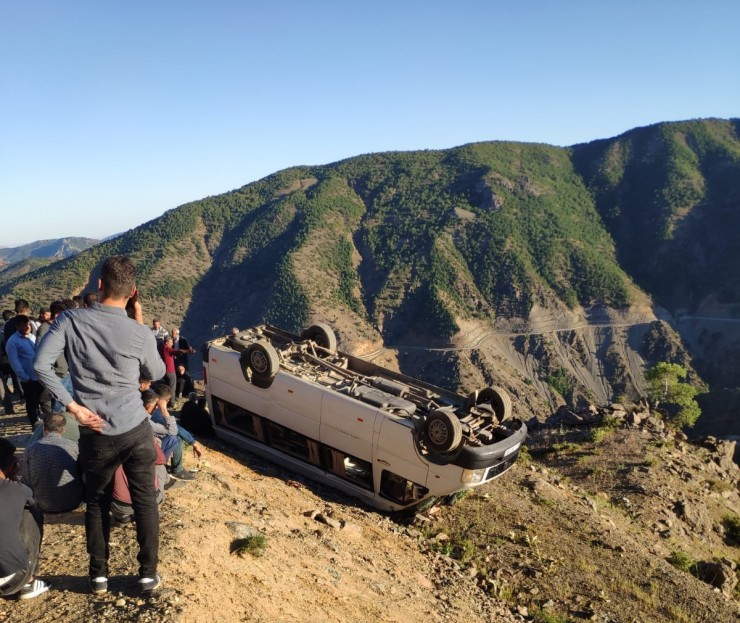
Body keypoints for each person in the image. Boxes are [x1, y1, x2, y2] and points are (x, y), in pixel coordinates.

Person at [34, 255, 166, 595]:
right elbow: (158, 374)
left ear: (100, 285)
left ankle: (98, 577)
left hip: (95, 430)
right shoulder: (137, 333)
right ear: (133, 292)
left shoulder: (69, 320)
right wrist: (140, 326)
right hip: (135, 427)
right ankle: (148, 575)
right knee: (145, 501)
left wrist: (73, 406)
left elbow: (41, 365)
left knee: (97, 501)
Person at [0, 438, 50, 600]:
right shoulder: (17, 490)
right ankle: (28, 581)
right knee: (31, 511)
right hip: (10, 580)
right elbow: (32, 503)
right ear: (12, 466)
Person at [21, 412, 84, 513]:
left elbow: (27, 479)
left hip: (42, 503)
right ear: (64, 429)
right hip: (72, 502)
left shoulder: (30, 449)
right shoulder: (74, 446)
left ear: (43, 428)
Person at [6, 315, 44, 427]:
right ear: (17, 326)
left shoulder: (33, 337)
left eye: (28, 324)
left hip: (41, 376)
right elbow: (14, 362)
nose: (27, 327)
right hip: (29, 378)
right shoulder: (13, 341)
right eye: (23, 325)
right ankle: (35, 425)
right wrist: (24, 377)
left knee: (43, 402)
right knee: (32, 403)